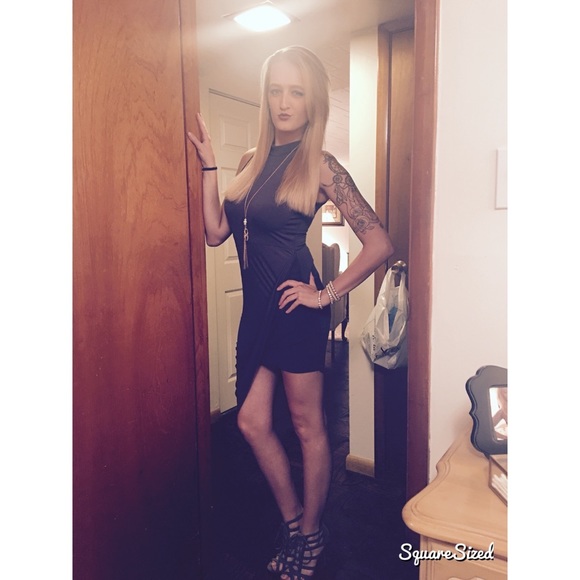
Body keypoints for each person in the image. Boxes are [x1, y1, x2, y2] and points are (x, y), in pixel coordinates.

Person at [187, 45, 394, 580]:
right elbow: (215, 233)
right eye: (276, 90)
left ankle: (311, 533)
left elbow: (379, 244)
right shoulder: (248, 162)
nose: (284, 102)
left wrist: (326, 296)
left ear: (312, 101)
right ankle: (294, 519)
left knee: (306, 425)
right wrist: (209, 166)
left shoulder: (321, 165)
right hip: (257, 311)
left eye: (296, 92)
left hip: (295, 309)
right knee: (252, 421)